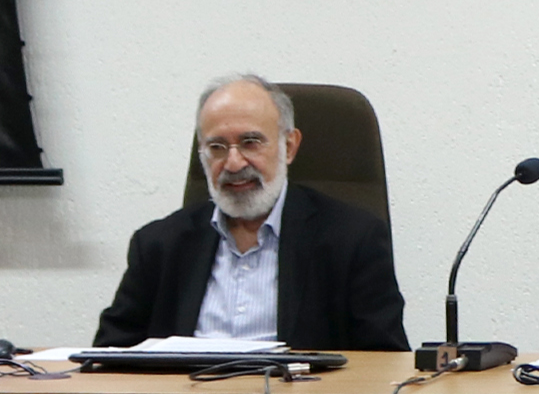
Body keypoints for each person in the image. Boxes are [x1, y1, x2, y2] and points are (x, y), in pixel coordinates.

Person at [95, 74, 407, 351]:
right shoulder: (157, 245)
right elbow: (109, 355)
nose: (233, 163)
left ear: (289, 146)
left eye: (250, 142)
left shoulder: (353, 239)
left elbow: (383, 366)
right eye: (217, 147)